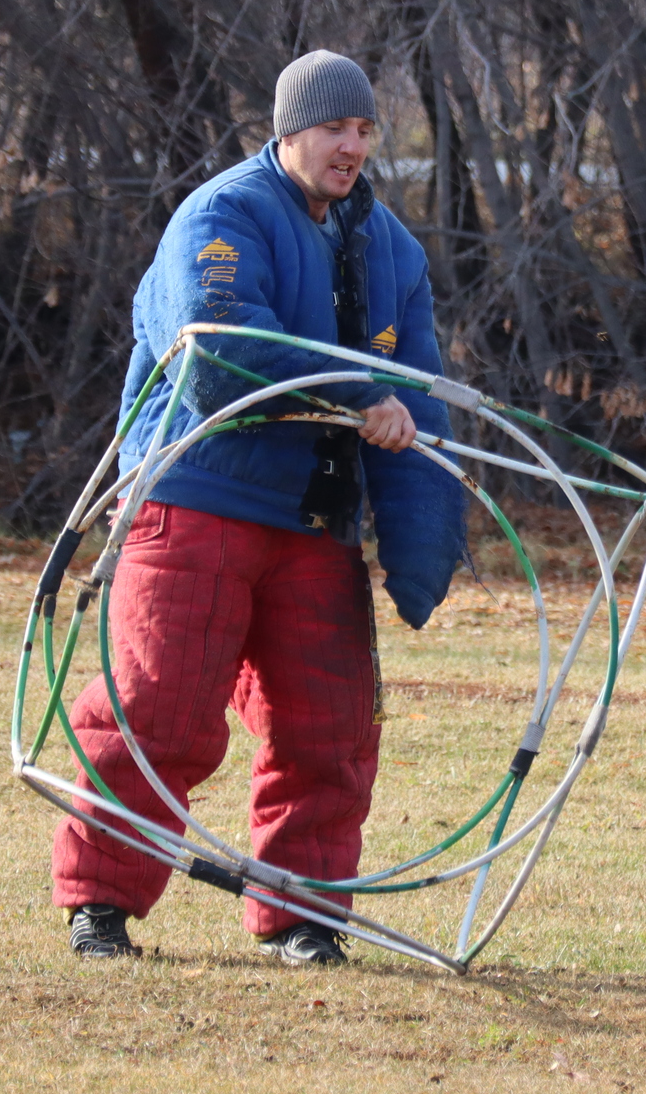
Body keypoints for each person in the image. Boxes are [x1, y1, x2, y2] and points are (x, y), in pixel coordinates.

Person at [51, 50, 465, 965]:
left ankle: (305, 917)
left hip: (315, 522)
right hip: (197, 503)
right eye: (334, 129)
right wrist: (360, 394)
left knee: (330, 723)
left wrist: (422, 543)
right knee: (158, 710)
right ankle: (101, 906)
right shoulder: (221, 216)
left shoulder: (393, 249)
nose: (352, 146)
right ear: (288, 131)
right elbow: (219, 350)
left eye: (363, 130)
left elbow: (417, 395)